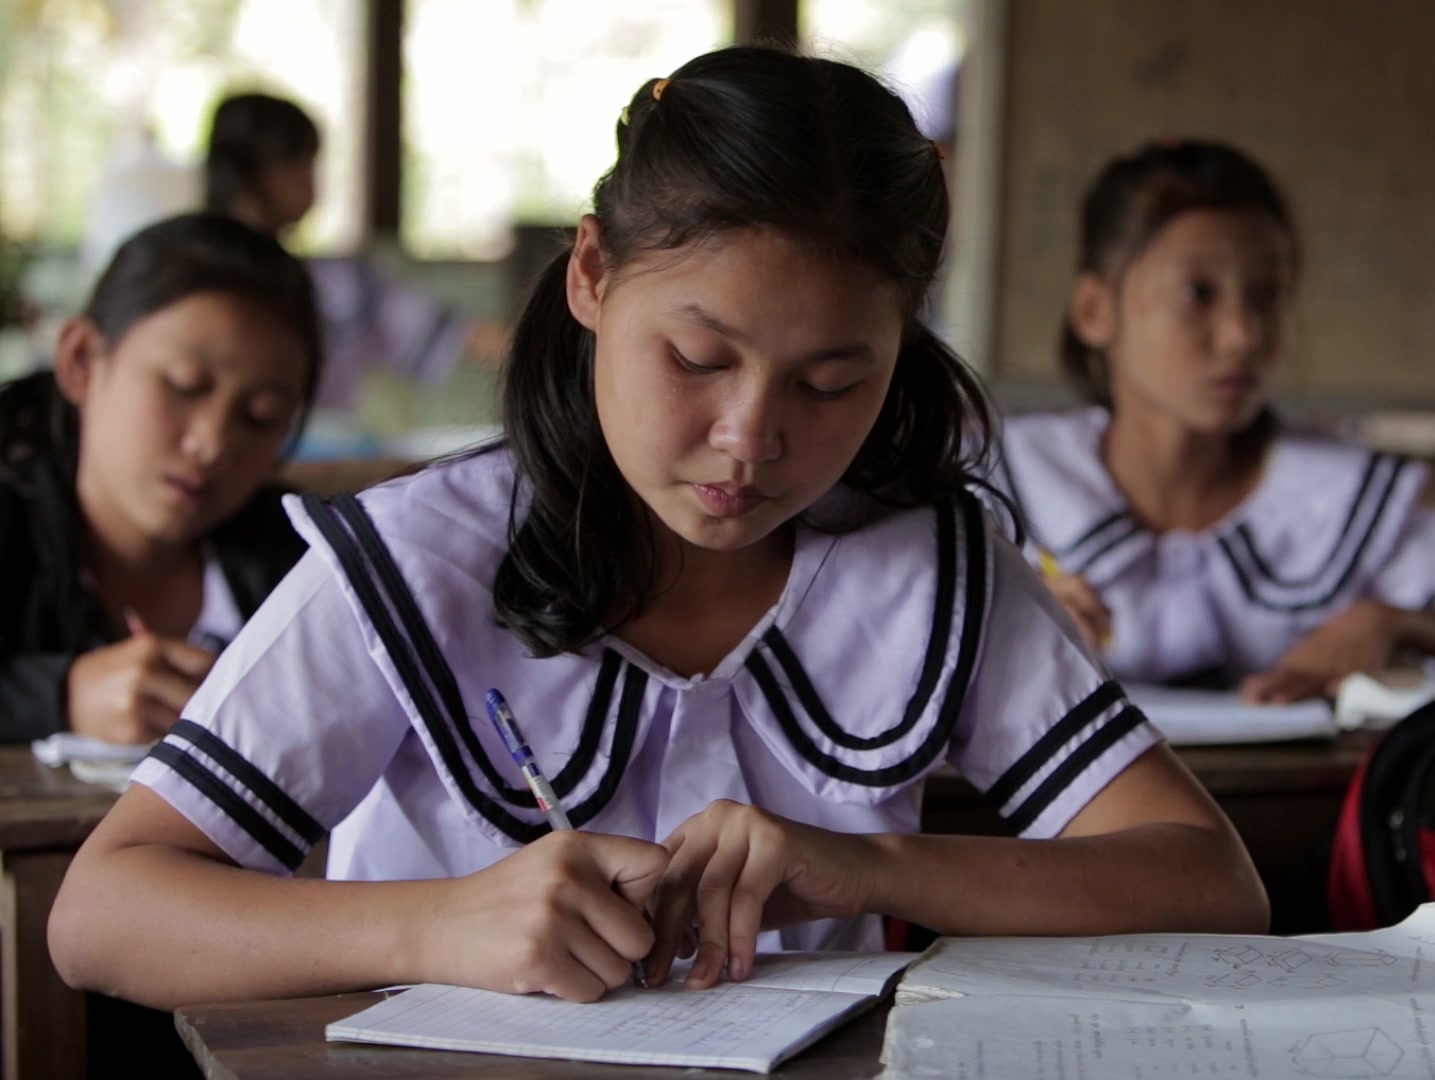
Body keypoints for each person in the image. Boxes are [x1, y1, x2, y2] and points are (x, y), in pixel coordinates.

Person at [49, 46, 1267, 1011]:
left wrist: (869, 868)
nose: (750, 437)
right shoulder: (422, 562)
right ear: (590, 276)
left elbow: (1209, 883)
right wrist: (441, 922)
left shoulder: (927, 569)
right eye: (696, 356)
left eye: (833, 382)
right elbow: (102, 915)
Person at [999, 139, 1435, 701]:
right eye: (1198, 293)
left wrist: (1389, 623)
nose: (1244, 335)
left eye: (1267, 295)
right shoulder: (1014, 485)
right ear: (1095, 311)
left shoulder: (1332, 499)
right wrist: (1003, 631)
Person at [0, 213, 319, 744]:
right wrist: (59, 697)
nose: (212, 445)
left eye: (260, 416)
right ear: (81, 360)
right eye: (184, 386)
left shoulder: (303, 565)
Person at [204, 92, 506, 414]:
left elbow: (463, 335)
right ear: (270, 173)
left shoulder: (339, 282)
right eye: (306, 165)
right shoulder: (333, 287)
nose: (312, 183)